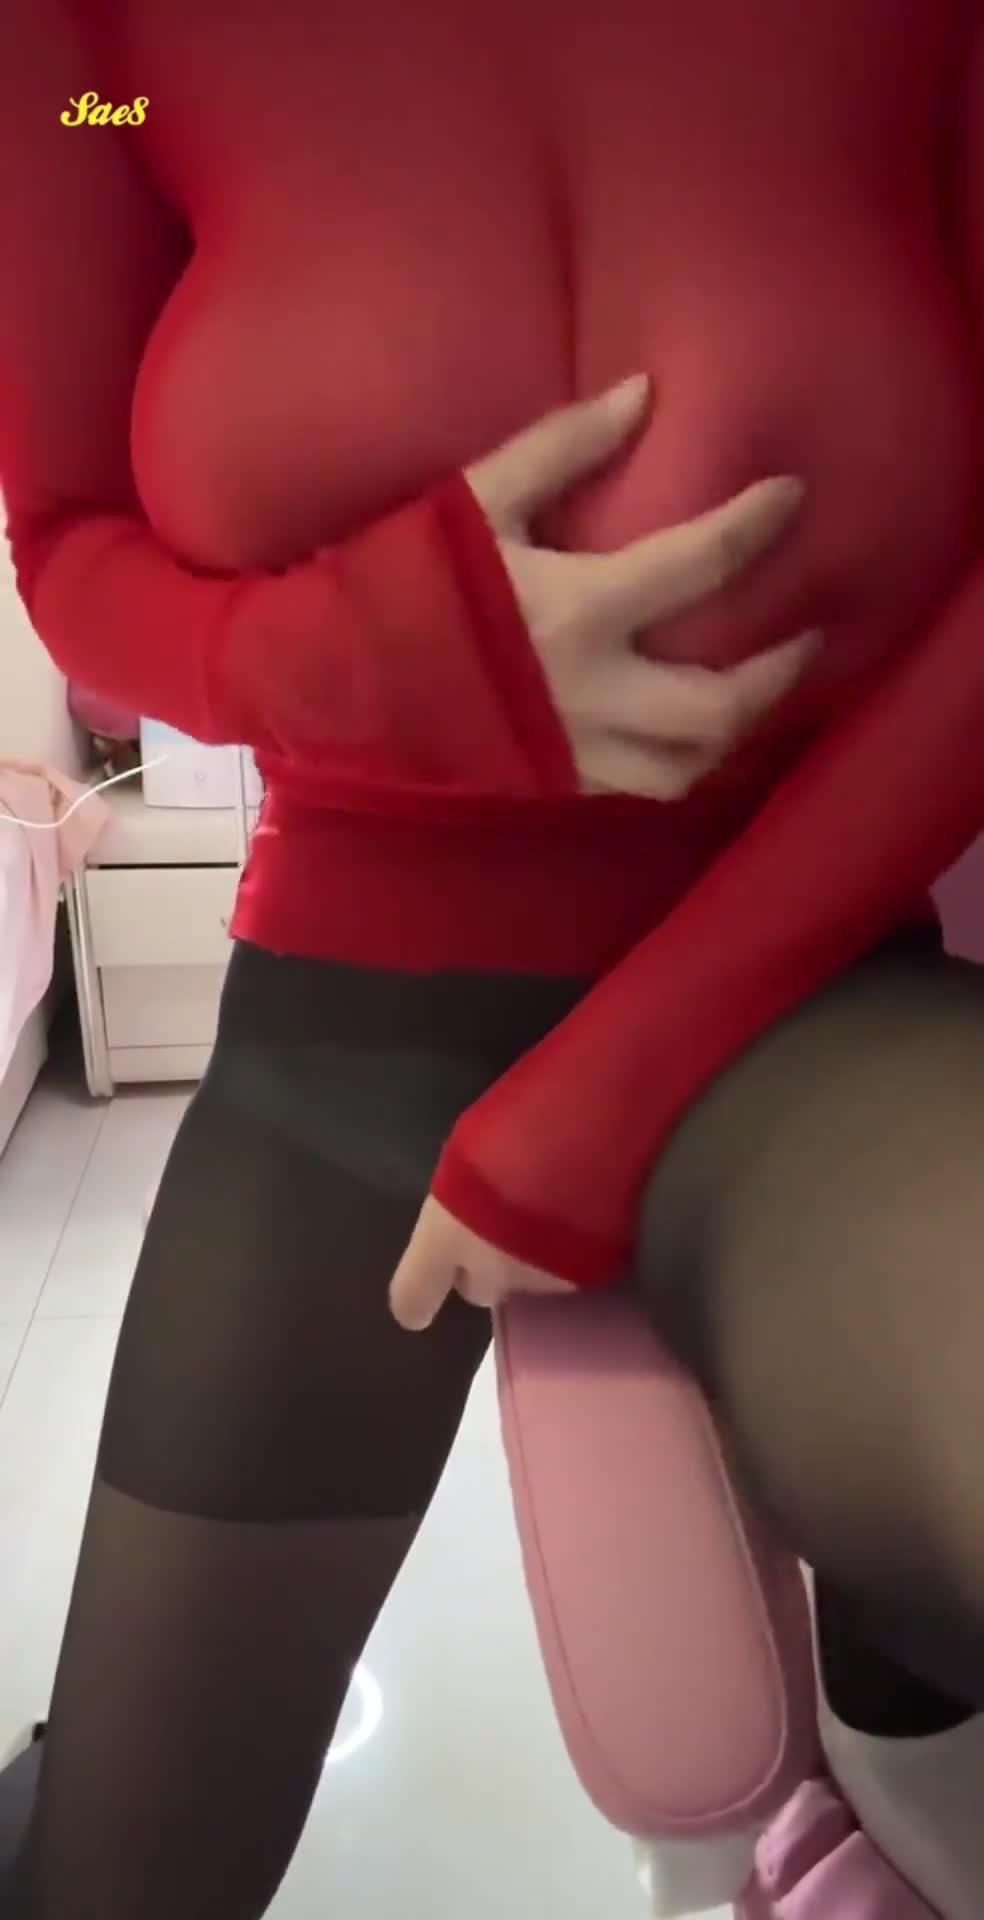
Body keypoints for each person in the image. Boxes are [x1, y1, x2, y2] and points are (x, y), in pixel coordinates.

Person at [4, 0, 984, 1913]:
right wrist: (386, 654)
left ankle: (897, 1747)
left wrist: (597, 1104)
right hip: (347, 1036)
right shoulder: (98, 56)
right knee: (120, 1873)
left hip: (803, 997)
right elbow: (73, 552)